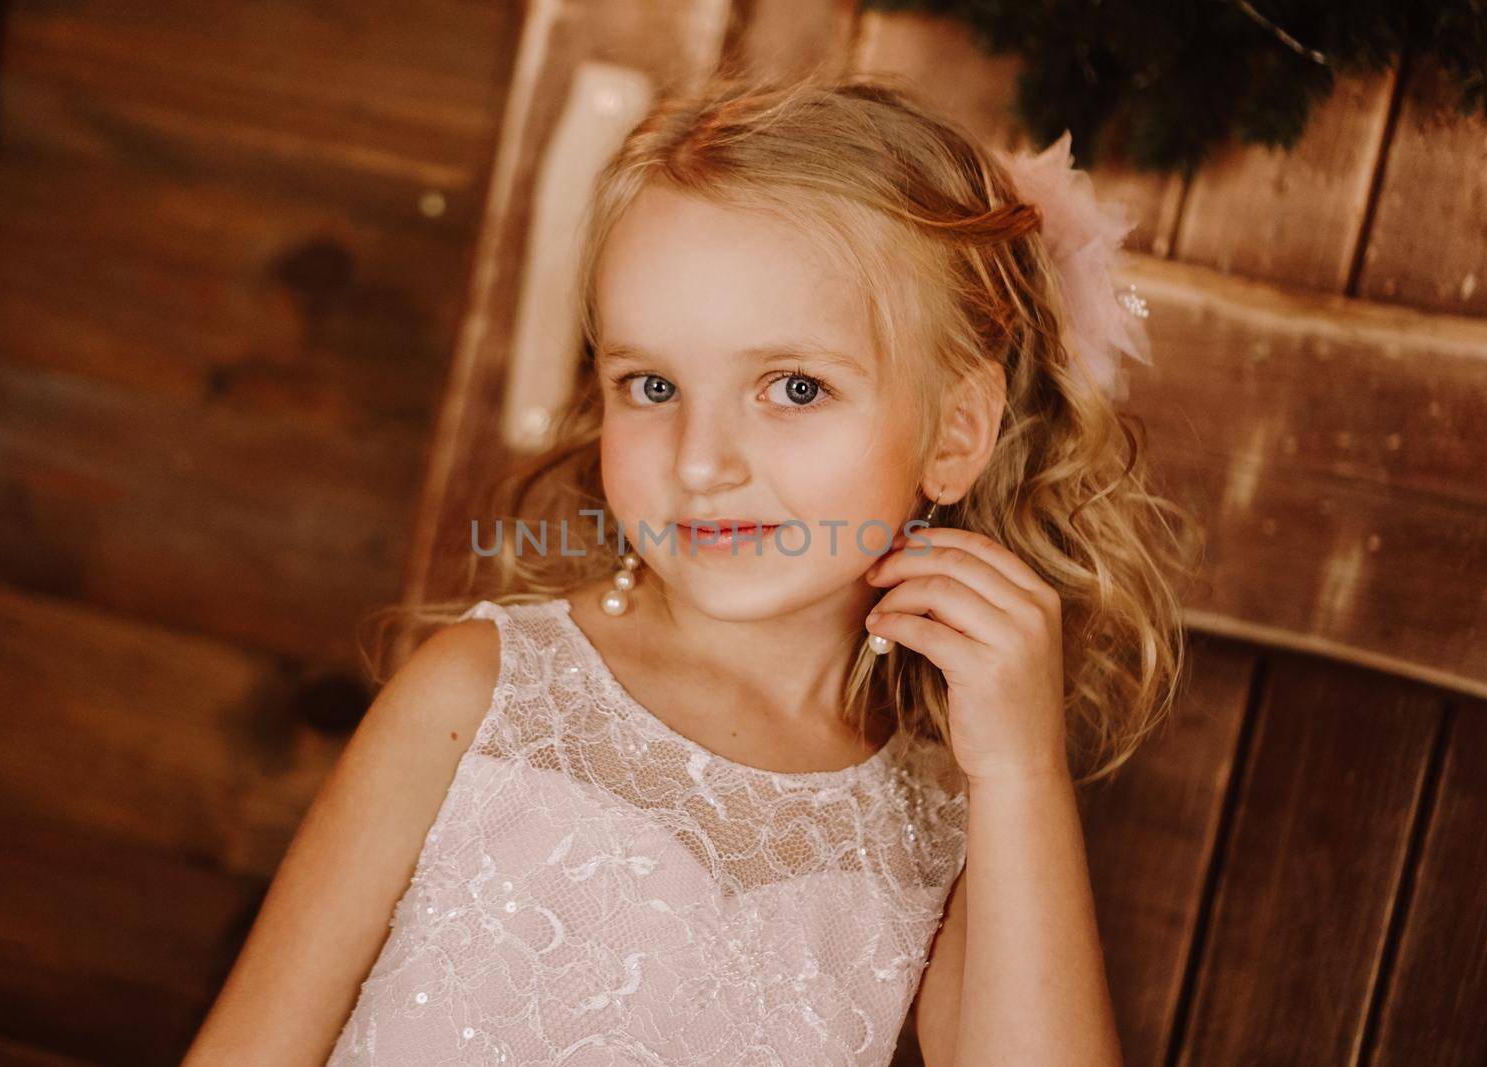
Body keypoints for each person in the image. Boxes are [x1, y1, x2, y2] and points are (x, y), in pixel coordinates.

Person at [183, 73, 1198, 1066]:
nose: (701, 460)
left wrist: (1020, 774)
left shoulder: (951, 801)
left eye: (793, 386)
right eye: (652, 383)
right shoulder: (483, 696)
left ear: (956, 430)